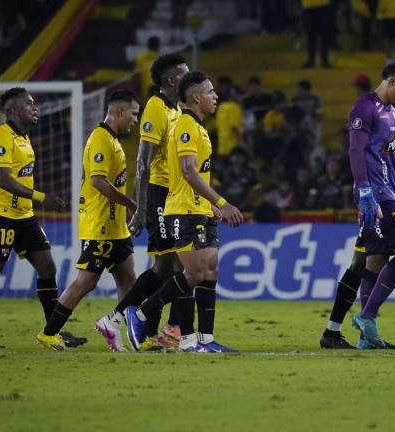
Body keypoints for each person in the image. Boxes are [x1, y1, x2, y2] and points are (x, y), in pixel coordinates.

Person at [124, 71, 244, 353]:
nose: (216, 96)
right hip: (184, 210)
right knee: (194, 273)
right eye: (211, 92)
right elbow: (189, 171)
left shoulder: (199, 126)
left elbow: (197, 172)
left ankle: (204, 340)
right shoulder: (187, 126)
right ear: (195, 97)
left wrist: (212, 204)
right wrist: (223, 201)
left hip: (200, 208)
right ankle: (139, 314)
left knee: (210, 270)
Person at [321, 83, 395, 349]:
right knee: (378, 261)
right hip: (379, 202)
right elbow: (359, 154)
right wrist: (366, 193)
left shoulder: (394, 124)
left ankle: (360, 334)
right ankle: (345, 327)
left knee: (373, 261)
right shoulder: (373, 113)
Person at [0, 87, 74, 349]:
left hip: (24, 216)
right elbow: (4, 181)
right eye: (29, 104)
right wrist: (41, 197)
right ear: (14, 110)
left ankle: (52, 333)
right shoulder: (2, 137)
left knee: (48, 267)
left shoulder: (24, 138)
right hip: (0, 215)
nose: (35, 108)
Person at [37, 91, 140, 350]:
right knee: (86, 281)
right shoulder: (101, 139)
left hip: (115, 227)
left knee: (128, 280)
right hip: (100, 225)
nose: (135, 120)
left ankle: (115, 330)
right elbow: (98, 180)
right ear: (119, 112)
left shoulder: (113, 140)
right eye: (134, 114)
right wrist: (130, 204)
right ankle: (49, 333)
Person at [99, 54, 188, 352]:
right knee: (177, 266)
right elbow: (142, 161)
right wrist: (139, 209)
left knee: (166, 268)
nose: (189, 78)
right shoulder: (155, 107)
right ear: (172, 80)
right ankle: (166, 331)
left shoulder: (176, 108)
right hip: (159, 194)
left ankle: (126, 324)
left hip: (173, 193)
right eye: (184, 74)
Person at [345, 61, 395, 349]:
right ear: (391, 81)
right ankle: (367, 316)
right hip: (375, 195)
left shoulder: (391, 112)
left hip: (390, 191)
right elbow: (355, 149)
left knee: (376, 259)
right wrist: (364, 190)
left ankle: (367, 336)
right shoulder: (364, 108)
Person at [301, 0, 334, 68]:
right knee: (311, 35)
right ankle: (313, 60)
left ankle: (323, 60)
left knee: (323, 34)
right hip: (309, 5)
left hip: (322, 4)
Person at [134, 36, 161, 103]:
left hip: (143, 97)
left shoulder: (139, 58)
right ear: (158, 46)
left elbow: (135, 78)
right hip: (158, 96)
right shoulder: (162, 60)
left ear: (148, 46)